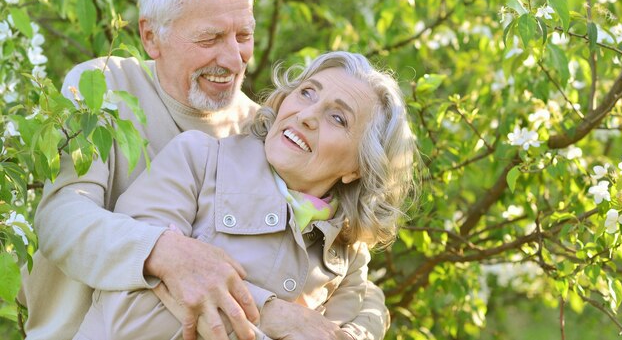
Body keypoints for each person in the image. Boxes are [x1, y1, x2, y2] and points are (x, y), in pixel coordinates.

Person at [20, 0, 391, 340]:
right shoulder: (103, 86)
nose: (233, 59)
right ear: (151, 37)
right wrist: (164, 252)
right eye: (210, 38)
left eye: (243, 35)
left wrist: (356, 328)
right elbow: (60, 215)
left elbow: (348, 259)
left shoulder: (266, 132)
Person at [72, 51, 417, 340]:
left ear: (357, 168)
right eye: (307, 93)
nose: (308, 115)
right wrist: (272, 315)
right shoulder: (198, 161)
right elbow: (128, 318)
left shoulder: (348, 252)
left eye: (338, 118)